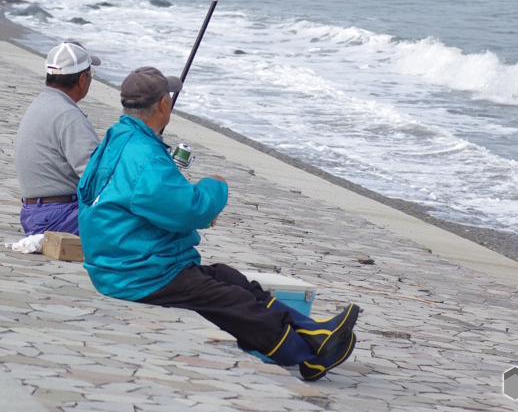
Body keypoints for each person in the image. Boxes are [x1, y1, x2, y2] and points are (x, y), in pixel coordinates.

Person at [78, 66, 359, 381]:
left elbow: (136, 200)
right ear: (163, 105)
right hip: (135, 271)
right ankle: (308, 356)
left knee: (227, 277)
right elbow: (191, 210)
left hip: (119, 259)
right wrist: (215, 185)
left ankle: (312, 331)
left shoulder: (120, 137)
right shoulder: (144, 156)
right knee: (228, 300)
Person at [14, 39, 102, 237]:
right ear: (81, 80)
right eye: (91, 74)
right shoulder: (68, 116)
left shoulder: (42, 104)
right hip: (57, 217)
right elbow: (99, 179)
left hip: (36, 214)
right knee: (136, 221)